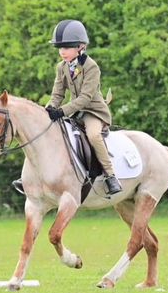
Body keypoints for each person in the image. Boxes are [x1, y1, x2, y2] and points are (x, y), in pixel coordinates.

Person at [46, 19, 120, 197]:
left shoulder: (91, 67)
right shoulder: (61, 67)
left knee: (93, 136)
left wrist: (62, 111)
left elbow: (86, 98)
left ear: (80, 47)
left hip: (92, 111)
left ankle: (111, 176)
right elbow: (57, 94)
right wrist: (48, 108)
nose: (62, 52)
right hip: (75, 112)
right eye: (60, 48)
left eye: (67, 47)